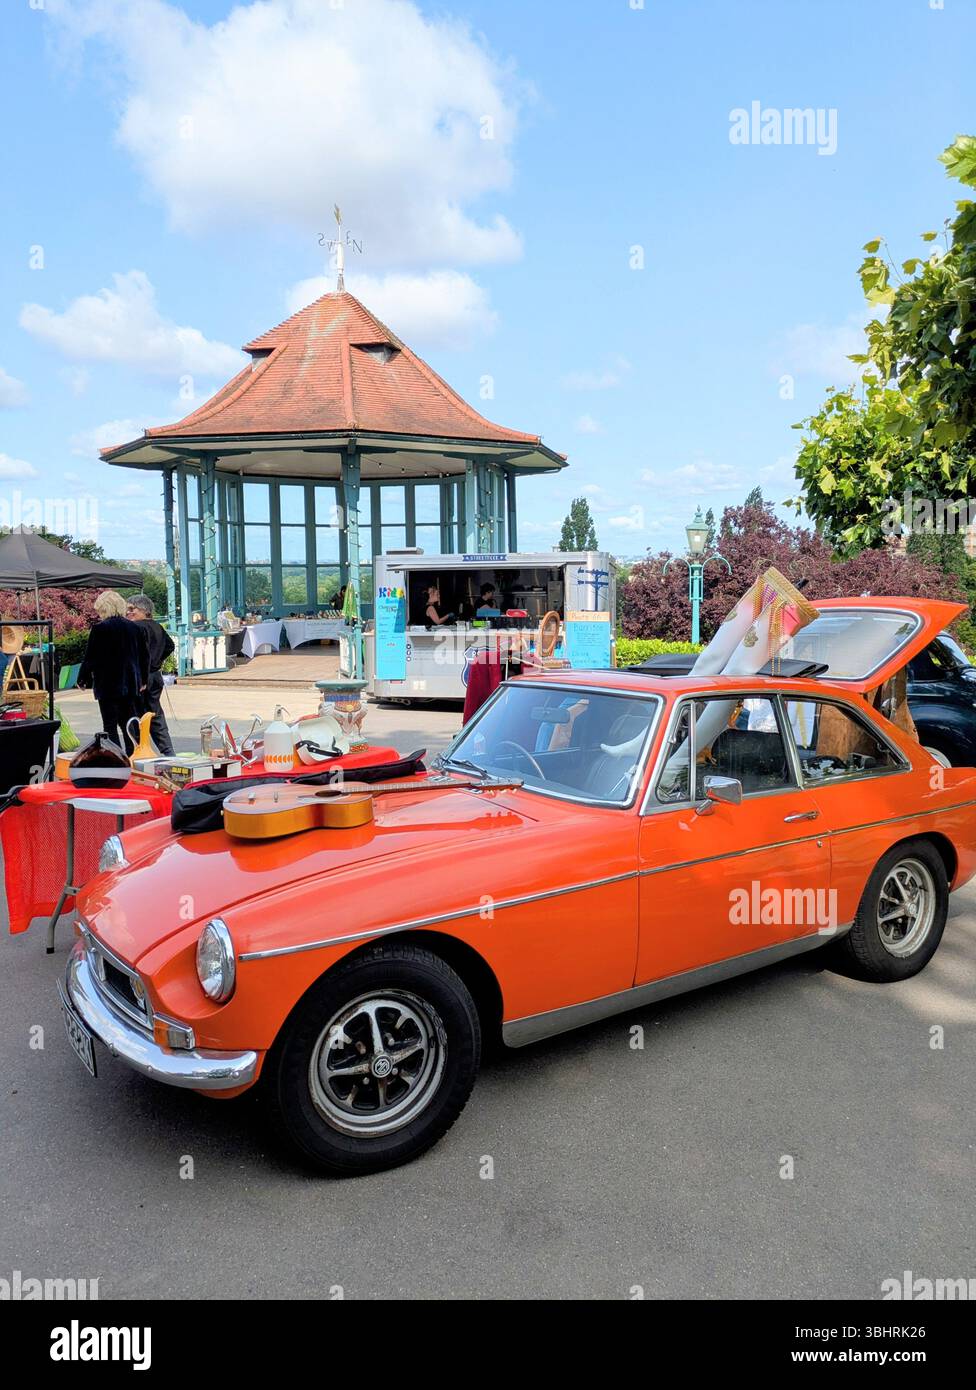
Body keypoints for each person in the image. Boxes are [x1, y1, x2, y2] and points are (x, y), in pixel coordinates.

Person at [78, 591, 149, 755]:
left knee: (110, 725)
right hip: (130, 682)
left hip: (107, 683)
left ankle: (117, 758)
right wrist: (143, 679)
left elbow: (91, 657)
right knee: (129, 723)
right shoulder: (135, 628)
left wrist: (83, 678)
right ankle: (134, 755)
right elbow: (144, 656)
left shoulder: (100, 629)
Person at [126, 594, 175, 756]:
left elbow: (140, 654)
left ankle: (139, 749)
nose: (128, 612)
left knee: (136, 715)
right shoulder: (157, 626)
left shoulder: (136, 628)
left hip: (141, 677)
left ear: (144, 611)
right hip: (155, 676)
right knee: (155, 714)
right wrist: (158, 660)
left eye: (132, 609)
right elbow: (170, 645)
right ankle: (168, 751)